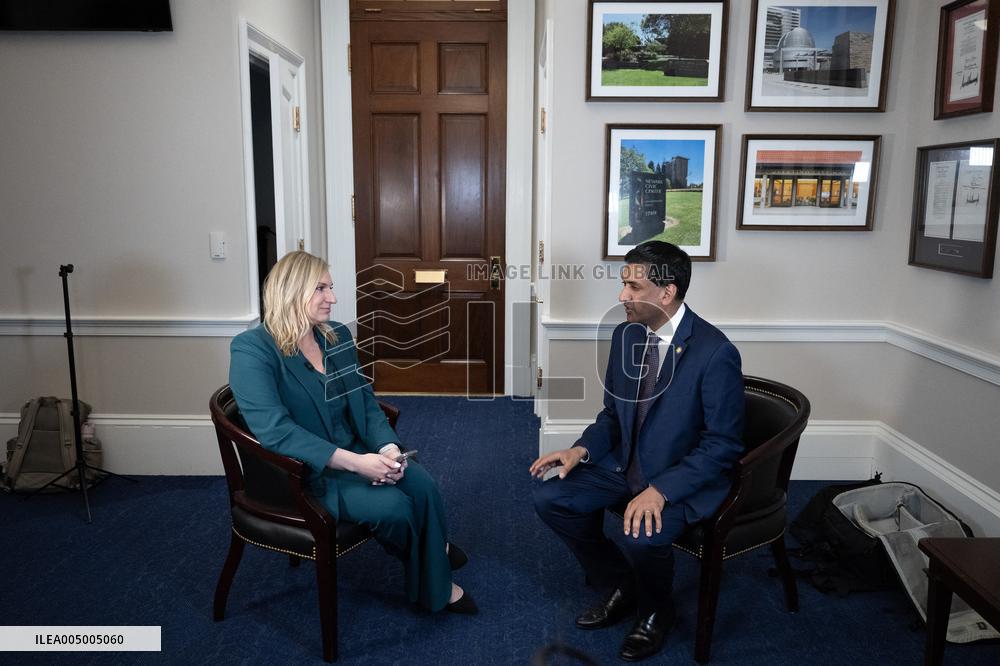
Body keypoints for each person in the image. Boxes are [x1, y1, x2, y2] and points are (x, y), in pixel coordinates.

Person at [229, 250, 476, 615]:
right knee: (395, 508)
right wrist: (358, 465)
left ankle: (432, 552)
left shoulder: (336, 336)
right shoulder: (252, 349)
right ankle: (435, 578)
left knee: (423, 485)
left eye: (331, 287)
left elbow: (365, 401)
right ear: (290, 291)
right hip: (307, 474)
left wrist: (387, 448)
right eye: (321, 288)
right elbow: (275, 431)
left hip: (360, 451)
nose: (332, 297)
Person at [530, 241, 744, 661]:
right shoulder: (625, 333)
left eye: (633, 287)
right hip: (624, 466)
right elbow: (613, 413)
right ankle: (622, 584)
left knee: (641, 532)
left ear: (667, 292)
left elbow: (723, 445)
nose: (621, 296)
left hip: (679, 479)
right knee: (551, 496)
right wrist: (581, 451)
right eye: (622, 284)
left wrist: (662, 489)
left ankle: (656, 611)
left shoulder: (715, 352)